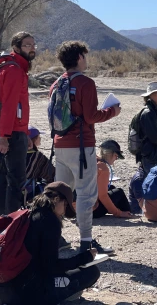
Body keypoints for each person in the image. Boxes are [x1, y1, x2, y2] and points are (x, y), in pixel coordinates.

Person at [50, 41, 121, 254]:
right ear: (79, 57)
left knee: (59, 194)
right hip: (81, 146)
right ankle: (86, 242)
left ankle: (53, 236)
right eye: (85, 56)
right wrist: (112, 112)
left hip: (59, 144)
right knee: (85, 194)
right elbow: (91, 116)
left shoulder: (56, 84)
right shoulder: (85, 83)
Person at [0, 182, 100, 305]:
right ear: (57, 199)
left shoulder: (25, 213)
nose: (63, 213)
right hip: (24, 296)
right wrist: (85, 258)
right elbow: (51, 267)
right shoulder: (49, 220)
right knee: (91, 272)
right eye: (65, 206)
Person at [0, 31, 35, 220]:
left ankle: (0, 222)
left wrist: (26, 133)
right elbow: (9, 105)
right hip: (11, 131)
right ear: (16, 48)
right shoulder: (14, 70)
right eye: (27, 45)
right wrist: (5, 136)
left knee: (5, 175)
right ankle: (12, 224)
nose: (32, 48)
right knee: (15, 180)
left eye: (33, 45)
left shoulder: (14, 67)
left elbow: (16, 107)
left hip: (13, 129)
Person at [93, 140, 135, 219]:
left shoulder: (92, 160)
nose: (116, 158)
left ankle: (116, 210)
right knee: (119, 192)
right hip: (92, 211)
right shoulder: (103, 168)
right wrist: (118, 213)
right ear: (110, 154)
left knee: (111, 188)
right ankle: (128, 213)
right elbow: (102, 196)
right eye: (116, 156)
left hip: (78, 208)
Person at [24, 126, 55, 202]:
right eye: (39, 137)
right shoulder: (37, 156)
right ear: (33, 140)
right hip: (29, 191)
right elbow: (51, 173)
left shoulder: (18, 154)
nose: (40, 139)